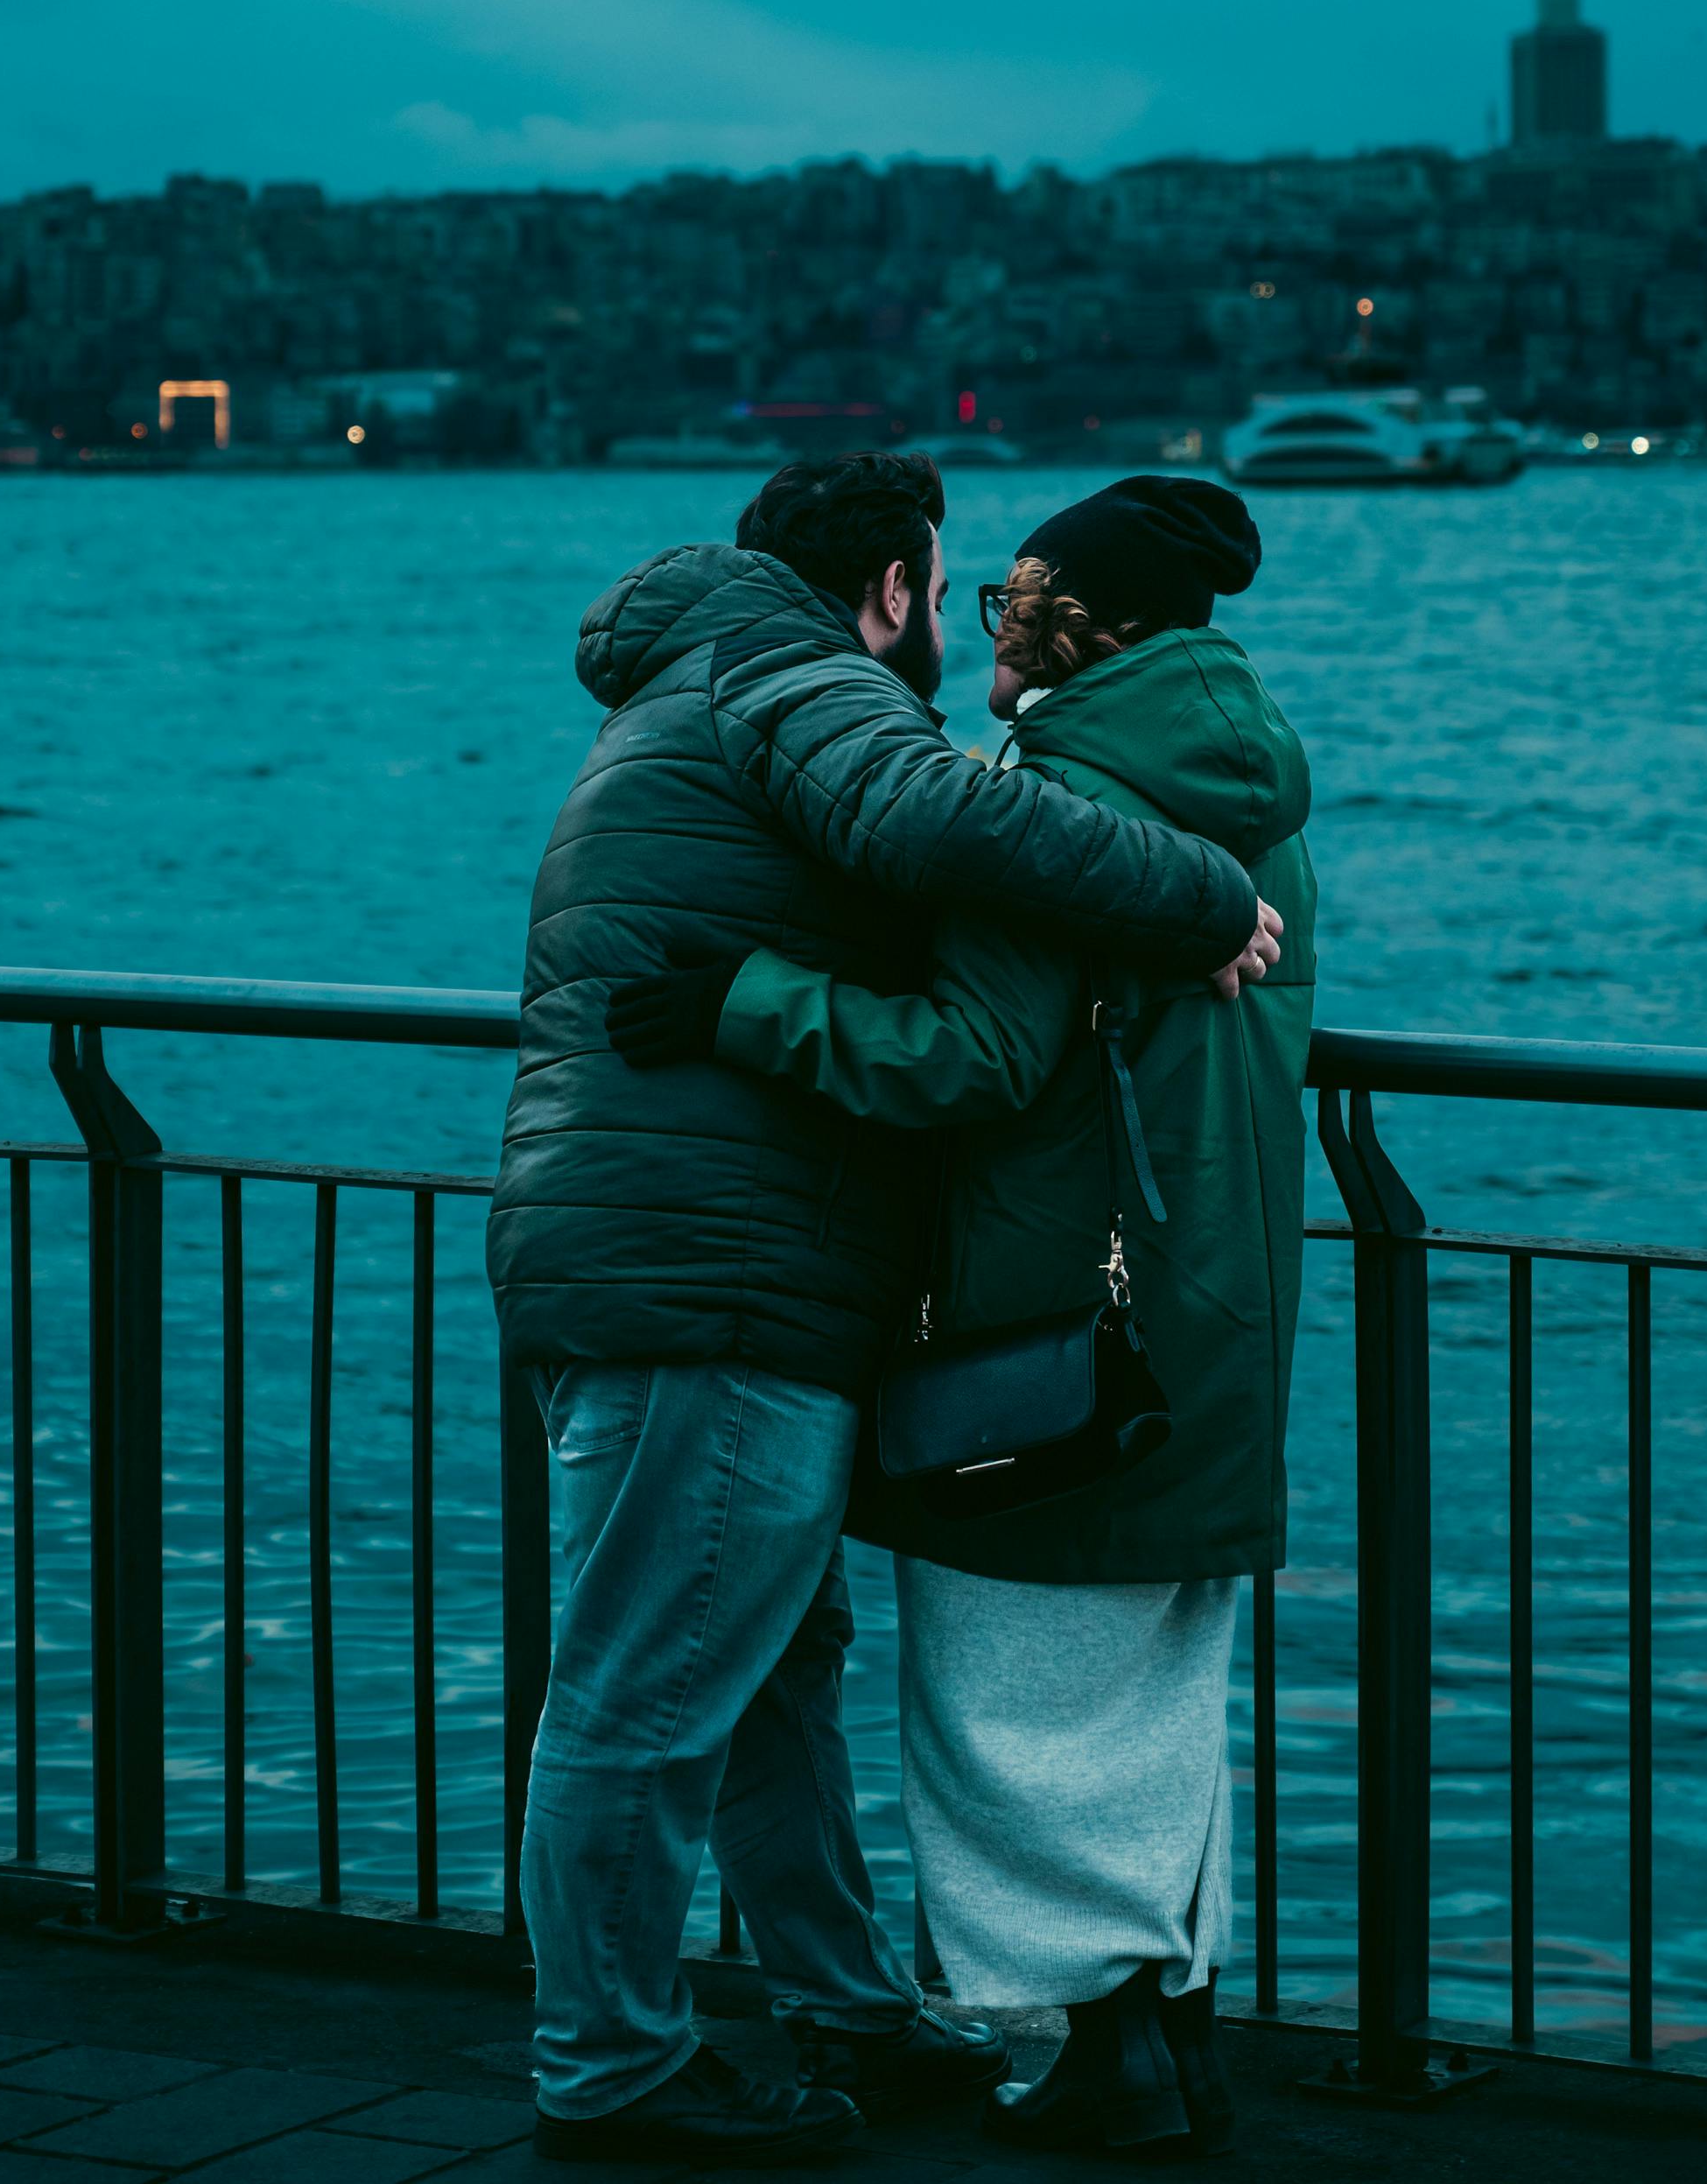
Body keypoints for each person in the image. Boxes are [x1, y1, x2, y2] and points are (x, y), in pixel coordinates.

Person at [486, 453, 1282, 2166]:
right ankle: (612, 2065)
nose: (954, 622)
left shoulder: (713, 678)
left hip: (702, 1263)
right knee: (645, 1686)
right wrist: (1212, 892)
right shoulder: (792, 671)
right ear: (898, 587)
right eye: (946, 585)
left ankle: (844, 2003)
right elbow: (949, 821)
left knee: (765, 1667)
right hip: (712, 1273)